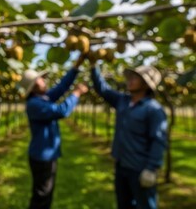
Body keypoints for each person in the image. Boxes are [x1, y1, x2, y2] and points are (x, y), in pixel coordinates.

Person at [90, 62, 168, 209]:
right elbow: (102, 89)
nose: (130, 80)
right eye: (130, 77)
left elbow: (158, 141)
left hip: (140, 168)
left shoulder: (154, 109)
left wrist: (151, 169)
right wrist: (94, 66)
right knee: (124, 204)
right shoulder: (123, 101)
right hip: (121, 165)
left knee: (145, 205)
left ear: (145, 84)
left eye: (135, 78)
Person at [20, 56, 88, 209]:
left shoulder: (43, 98)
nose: (44, 81)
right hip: (42, 157)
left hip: (46, 155)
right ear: (33, 86)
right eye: (40, 80)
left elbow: (62, 87)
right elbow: (61, 111)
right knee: (42, 195)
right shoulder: (34, 104)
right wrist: (76, 93)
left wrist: (77, 65)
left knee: (45, 193)